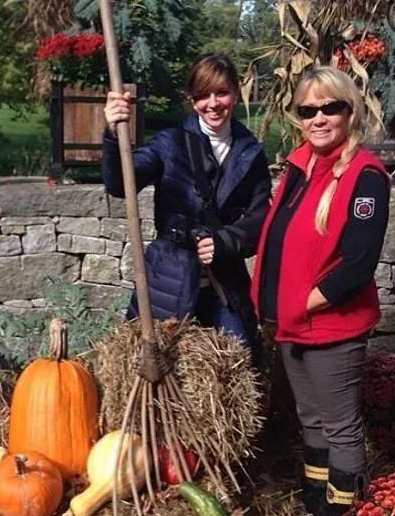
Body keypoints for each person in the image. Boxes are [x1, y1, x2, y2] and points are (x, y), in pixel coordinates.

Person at [250, 66, 390, 516]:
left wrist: (303, 302)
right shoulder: (301, 167)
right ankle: (316, 497)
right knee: (310, 419)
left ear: (349, 110)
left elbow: (357, 264)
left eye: (331, 107)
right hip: (292, 323)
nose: (319, 118)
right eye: (308, 110)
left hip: (329, 324)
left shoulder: (365, 177)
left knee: (340, 425)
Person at [102, 53, 272, 351]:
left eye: (221, 92)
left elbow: (261, 219)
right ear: (192, 100)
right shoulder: (169, 144)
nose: (213, 103)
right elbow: (120, 185)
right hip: (169, 277)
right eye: (203, 95)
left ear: (235, 92)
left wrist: (226, 241)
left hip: (225, 284)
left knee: (241, 358)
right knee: (160, 368)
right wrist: (113, 135)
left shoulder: (251, 153)